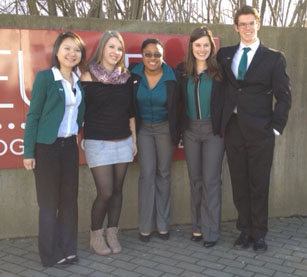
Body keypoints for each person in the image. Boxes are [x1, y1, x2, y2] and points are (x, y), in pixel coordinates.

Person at [217, 5, 291, 251]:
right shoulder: (225, 55)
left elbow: (284, 96)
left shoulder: (273, 57)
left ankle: (259, 233)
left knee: (258, 183)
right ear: (236, 27)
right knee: (239, 183)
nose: (247, 28)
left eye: (252, 23)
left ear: (258, 24)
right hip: (234, 128)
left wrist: (275, 128)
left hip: (261, 131)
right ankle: (244, 230)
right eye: (243, 24)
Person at [23, 32, 86, 267]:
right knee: (49, 204)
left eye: (77, 50)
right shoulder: (46, 78)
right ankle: (49, 254)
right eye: (67, 48)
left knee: (69, 201)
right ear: (57, 51)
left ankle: (68, 248)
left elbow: (79, 114)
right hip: (47, 148)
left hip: (69, 147)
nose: (72, 54)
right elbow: (34, 116)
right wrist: (28, 152)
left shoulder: (79, 81)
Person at [81, 31, 137, 255]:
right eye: (111, 47)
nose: (116, 52)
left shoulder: (126, 78)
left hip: (123, 140)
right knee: (105, 192)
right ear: (102, 48)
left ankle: (112, 232)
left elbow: (131, 111)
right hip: (97, 143)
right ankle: (96, 235)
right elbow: (79, 111)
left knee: (117, 191)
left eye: (119, 48)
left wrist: (134, 140)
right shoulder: (88, 77)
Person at [177, 27, 225, 248]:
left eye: (206, 45)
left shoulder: (220, 72)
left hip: (213, 132)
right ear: (191, 47)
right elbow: (176, 103)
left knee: (211, 181)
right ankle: (197, 227)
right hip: (190, 131)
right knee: (195, 181)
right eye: (198, 45)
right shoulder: (182, 71)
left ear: (211, 47)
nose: (202, 49)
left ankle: (211, 231)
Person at [130, 38, 179, 242]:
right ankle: (145, 227)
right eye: (148, 54)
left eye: (157, 54)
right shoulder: (132, 74)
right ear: (142, 56)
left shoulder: (172, 76)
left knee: (164, 174)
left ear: (163, 56)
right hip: (143, 130)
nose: (152, 58)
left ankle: (163, 225)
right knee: (147, 174)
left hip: (164, 128)